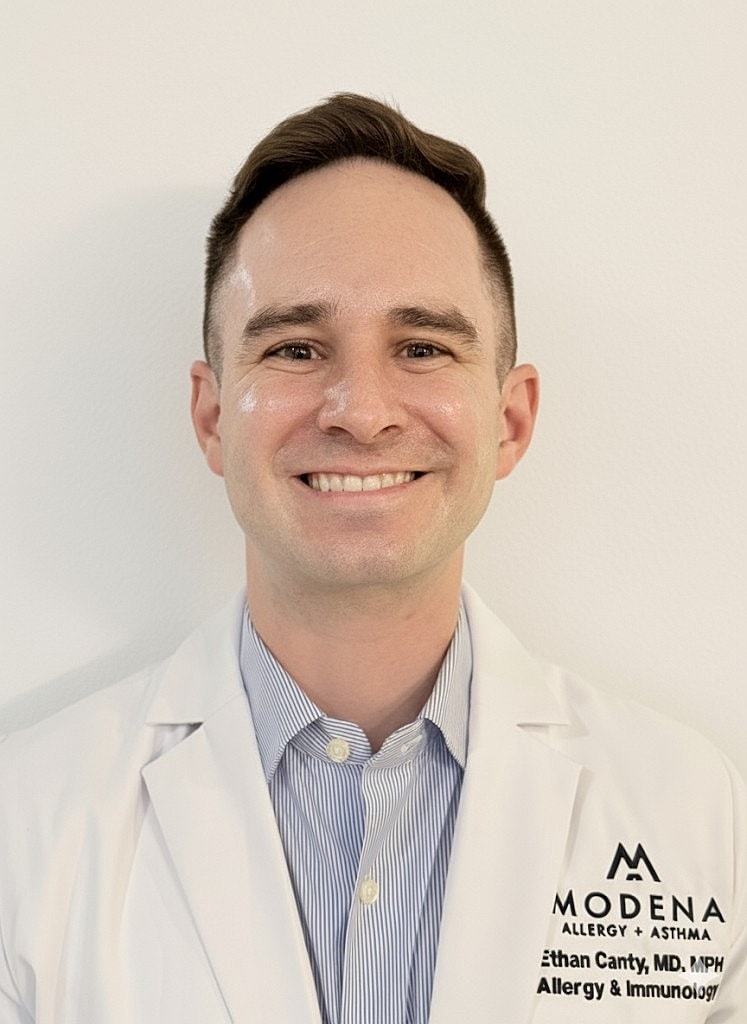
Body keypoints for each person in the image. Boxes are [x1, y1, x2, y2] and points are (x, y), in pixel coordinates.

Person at [0, 94, 744, 1024]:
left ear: (510, 421)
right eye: (295, 348)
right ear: (212, 416)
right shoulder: (25, 826)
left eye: (421, 347)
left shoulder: (695, 817)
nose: (360, 411)